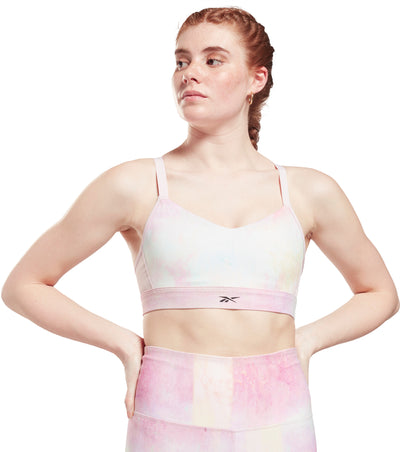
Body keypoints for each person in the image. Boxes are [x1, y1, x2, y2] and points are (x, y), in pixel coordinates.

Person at [2, 6, 399, 452]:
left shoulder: (310, 191)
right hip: (169, 410)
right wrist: (125, 345)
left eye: (213, 60)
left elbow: (380, 293)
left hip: (277, 413)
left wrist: (305, 342)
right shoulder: (135, 184)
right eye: (181, 61)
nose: (189, 73)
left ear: (256, 79)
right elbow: (23, 285)